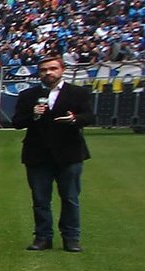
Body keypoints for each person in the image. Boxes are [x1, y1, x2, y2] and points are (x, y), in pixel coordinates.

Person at [12, 55, 93, 252]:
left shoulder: (77, 93)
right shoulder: (28, 96)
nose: (48, 73)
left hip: (69, 153)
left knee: (70, 198)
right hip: (37, 154)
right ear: (38, 73)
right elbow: (17, 122)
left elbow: (89, 116)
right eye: (44, 70)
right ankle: (42, 237)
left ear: (62, 69)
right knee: (40, 200)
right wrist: (33, 115)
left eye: (53, 68)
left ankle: (71, 238)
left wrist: (75, 119)